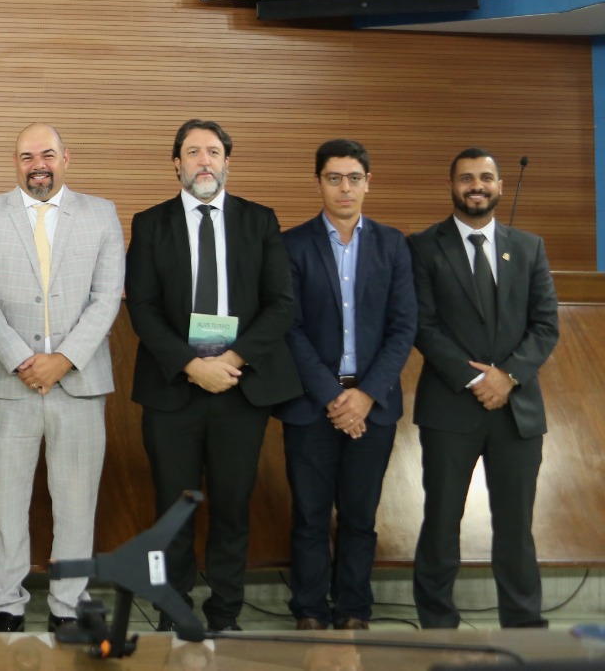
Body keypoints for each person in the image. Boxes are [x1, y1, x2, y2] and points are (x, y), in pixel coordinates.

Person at [125, 119, 300, 631]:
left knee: (231, 507)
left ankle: (224, 612)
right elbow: (143, 306)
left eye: (214, 151)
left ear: (228, 162)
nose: (204, 160)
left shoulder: (259, 221)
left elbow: (280, 304)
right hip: (173, 388)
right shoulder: (150, 223)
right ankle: (171, 610)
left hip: (238, 389)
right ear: (175, 163)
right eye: (193, 152)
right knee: (171, 512)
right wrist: (191, 364)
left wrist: (233, 360)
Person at [0, 124, 125, 633]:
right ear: (15, 162)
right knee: (6, 501)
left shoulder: (101, 214)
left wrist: (64, 358)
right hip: (8, 384)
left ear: (66, 159)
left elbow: (107, 297)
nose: (39, 163)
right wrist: (21, 359)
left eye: (48, 154)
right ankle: (6, 606)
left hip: (79, 382)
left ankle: (67, 607)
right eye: (28, 155)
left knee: (77, 503)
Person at [409, 149, 559, 629]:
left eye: (487, 178)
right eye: (467, 178)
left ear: (498, 186)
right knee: (441, 522)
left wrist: (506, 376)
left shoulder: (530, 246)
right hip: (450, 407)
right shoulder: (423, 246)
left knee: (515, 527)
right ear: (451, 185)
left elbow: (545, 326)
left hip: (517, 411)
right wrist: (476, 378)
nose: (478, 185)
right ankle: (436, 623)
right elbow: (422, 326)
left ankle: (523, 622)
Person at [277, 139, 417, 630]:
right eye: (334, 178)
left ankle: (354, 608)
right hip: (312, 405)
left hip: (372, 404)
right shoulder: (291, 245)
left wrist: (364, 395)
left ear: (367, 183)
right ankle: (310, 609)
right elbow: (288, 327)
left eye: (353, 178)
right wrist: (334, 396)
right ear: (319, 182)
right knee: (311, 516)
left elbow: (404, 327)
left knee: (360, 517)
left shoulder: (393, 244)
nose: (344, 188)